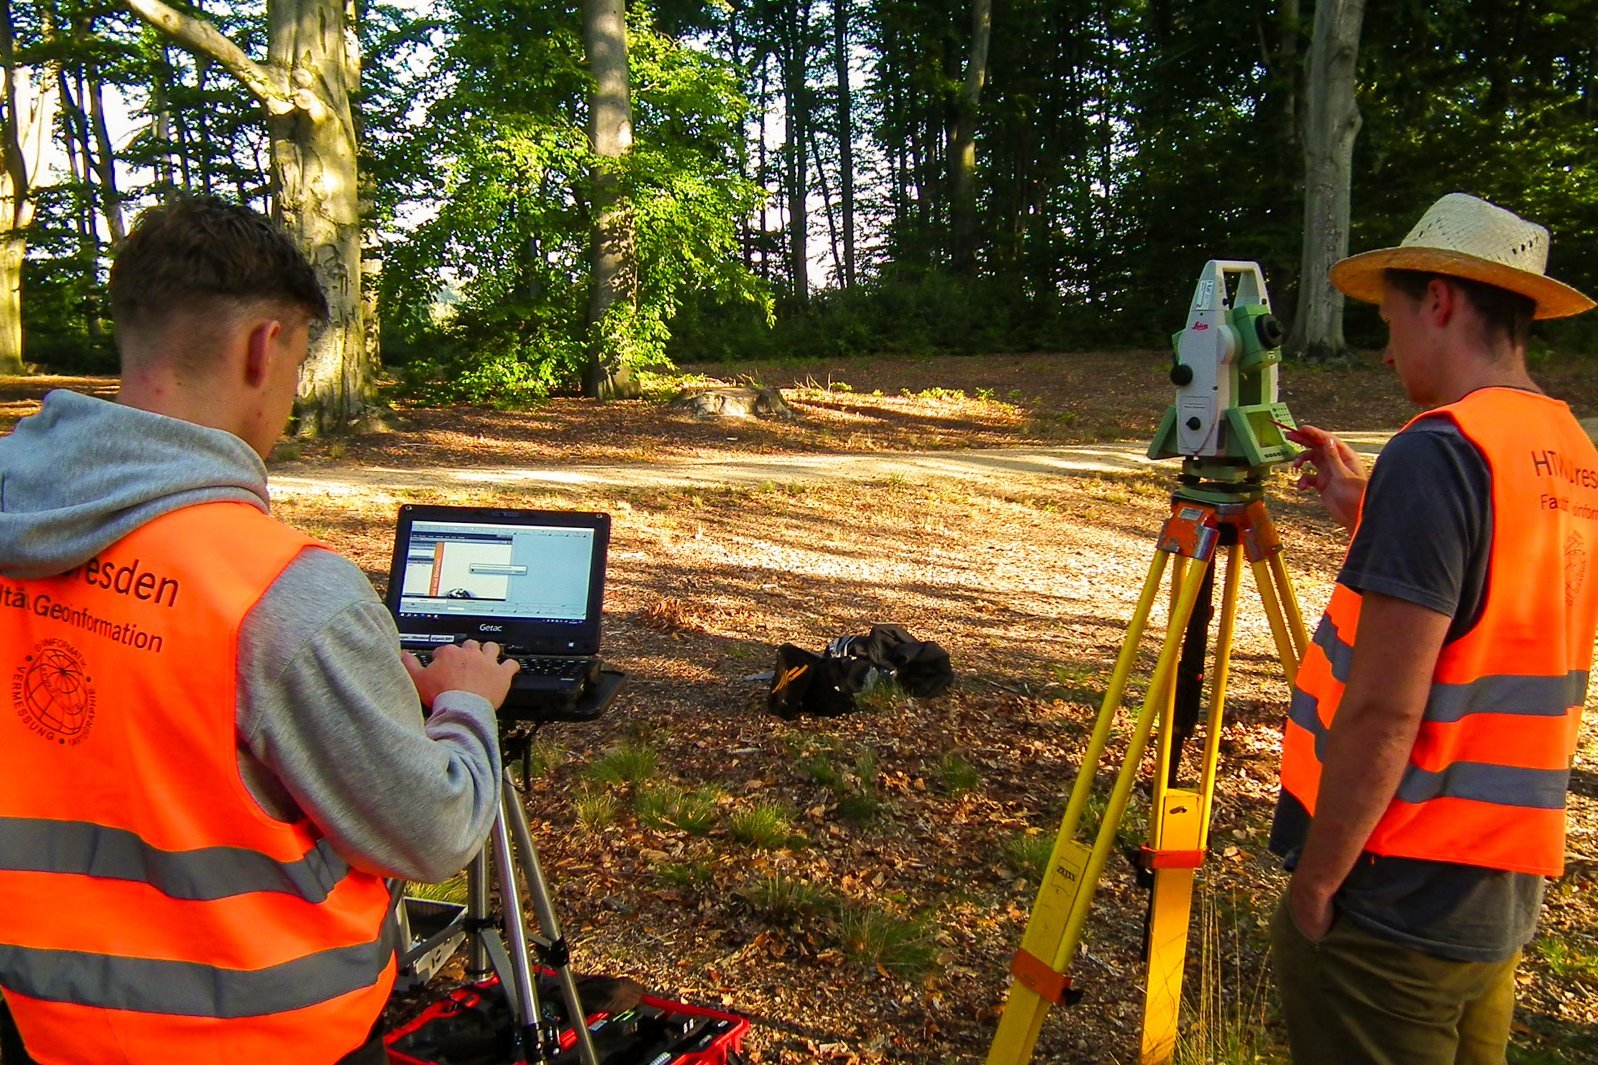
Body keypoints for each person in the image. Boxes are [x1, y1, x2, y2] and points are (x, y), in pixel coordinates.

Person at [0, 198, 520, 1064]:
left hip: (42, 1026)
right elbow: (430, 830)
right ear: (263, 348)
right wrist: (465, 704)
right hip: (259, 1034)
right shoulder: (285, 594)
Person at [1269, 192, 1598, 1064]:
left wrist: (1318, 883)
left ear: (1441, 301)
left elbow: (1383, 708)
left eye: (1392, 318)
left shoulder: (1438, 449)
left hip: (1390, 895)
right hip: (1490, 895)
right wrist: (1366, 508)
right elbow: (1493, 608)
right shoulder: (1568, 450)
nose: (1385, 347)